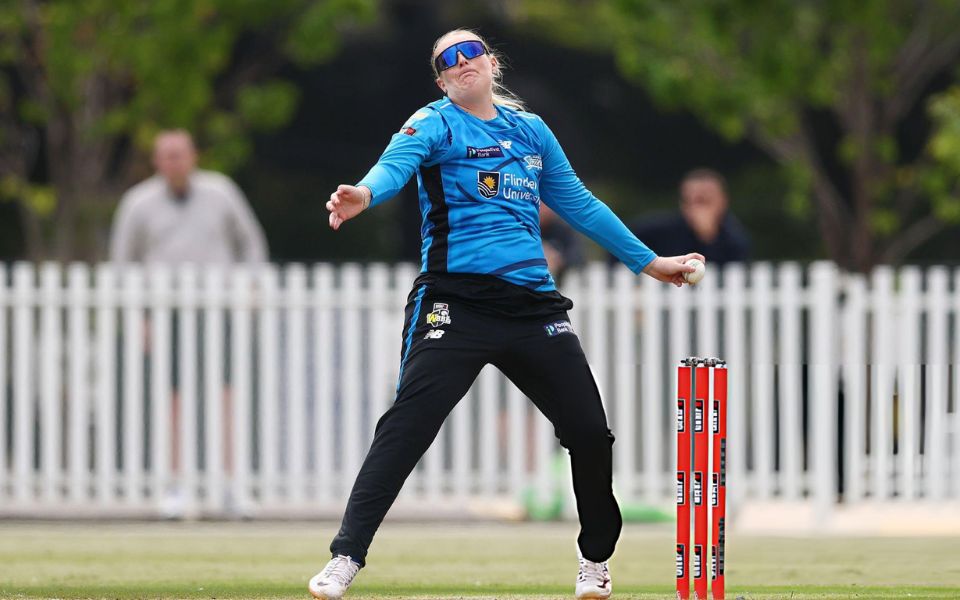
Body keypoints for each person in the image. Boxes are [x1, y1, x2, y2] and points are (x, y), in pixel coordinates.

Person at [309, 29, 704, 600]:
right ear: (442, 78)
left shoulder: (532, 132)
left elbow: (580, 205)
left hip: (532, 306)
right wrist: (364, 196)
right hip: (455, 301)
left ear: (491, 62)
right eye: (449, 58)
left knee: (590, 433)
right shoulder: (434, 122)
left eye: (472, 52)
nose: (463, 61)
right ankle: (346, 557)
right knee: (407, 426)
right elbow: (393, 168)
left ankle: (594, 559)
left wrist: (649, 263)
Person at [109, 129, 268, 515]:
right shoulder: (138, 202)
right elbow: (122, 262)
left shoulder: (221, 192)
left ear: (194, 156)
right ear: (156, 161)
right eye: (166, 155)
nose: (174, 162)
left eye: (180, 154)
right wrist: (140, 318)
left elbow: (250, 243)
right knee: (173, 399)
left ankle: (232, 485)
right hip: (167, 312)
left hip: (220, 308)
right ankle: (176, 486)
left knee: (227, 395)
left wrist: (249, 290)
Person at [611, 168, 750, 267]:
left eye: (703, 201)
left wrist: (708, 237)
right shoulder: (660, 229)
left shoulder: (733, 237)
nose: (695, 209)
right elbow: (619, 243)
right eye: (688, 201)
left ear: (722, 201)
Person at [540, 204, 585, 282]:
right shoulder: (525, 226)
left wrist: (560, 260)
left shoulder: (563, 227)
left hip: (561, 273)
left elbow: (576, 251)